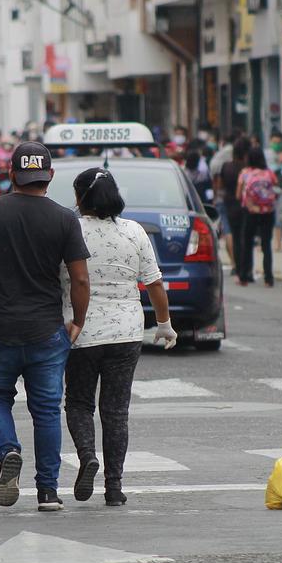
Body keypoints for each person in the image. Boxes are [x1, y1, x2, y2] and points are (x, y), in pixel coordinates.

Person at [0, 141, 91, 512]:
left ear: (11, 174)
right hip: (46, 329)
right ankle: (48, 492)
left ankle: (8, 450)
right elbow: (80, 280)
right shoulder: (64, 218)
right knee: (46, 410)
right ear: (50, 176)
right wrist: (77, 320)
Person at [63, 168, 176, 507]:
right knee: (116, 411)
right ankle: (114, 487)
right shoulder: (134, 231)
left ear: (81, 197)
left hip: (80, 330)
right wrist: (164, 323)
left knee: (79, 402)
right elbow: (154, 283)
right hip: (126, 333)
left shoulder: (70, 229)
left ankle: (87, 456)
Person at [236, 148, 278, 287]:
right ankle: (268, 278)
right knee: (266, 245)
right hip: (268, 212)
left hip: (250, 211)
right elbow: (276, 189)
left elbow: (238, 195)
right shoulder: (269, 173)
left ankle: (243, 277)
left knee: (247, 245)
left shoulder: (245, 173)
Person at [219, 139, 250, 275]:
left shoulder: (226, 166)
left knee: (233, 235)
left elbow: (220, 185)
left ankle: (235, 265)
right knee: (245, 237)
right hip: (245, 205)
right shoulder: (247, 169)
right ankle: (245, 268)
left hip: (229, 203)